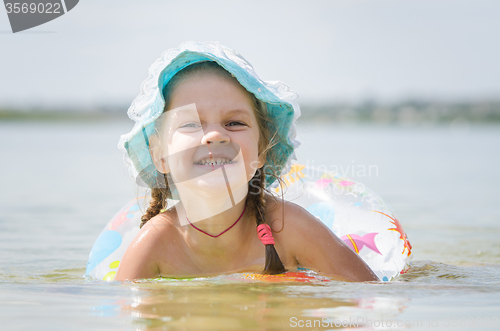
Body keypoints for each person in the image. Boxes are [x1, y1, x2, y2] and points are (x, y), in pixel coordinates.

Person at [115, 41, 378, 282]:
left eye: (234, 123)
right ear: (160, 155)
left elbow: (367, 294)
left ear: (262, 149)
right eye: (191, 124)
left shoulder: (287, 227)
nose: (216, 135)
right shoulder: (158, 243)